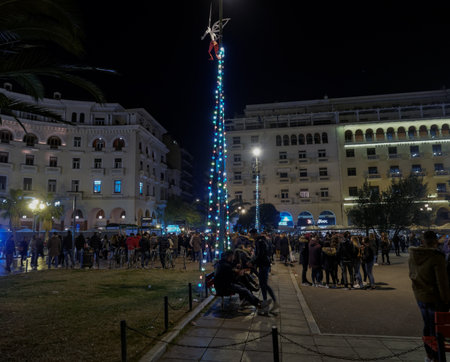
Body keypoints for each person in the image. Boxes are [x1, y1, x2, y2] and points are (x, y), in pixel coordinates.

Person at [409, 230, 450, 362]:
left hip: (421, 296)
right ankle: (437, 357)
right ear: (435, 241)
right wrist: (446, 300)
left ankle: (429, 356)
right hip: (435, 298)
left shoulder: (414, 255)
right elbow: (442, 282)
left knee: (427, 325)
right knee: (437, 329)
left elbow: (412, 275)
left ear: (422, 241)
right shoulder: (436, 257)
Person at [253, 234, 279, 313]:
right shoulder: (264, 241)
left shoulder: (260, 242)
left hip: (263, 265)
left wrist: (253, 262)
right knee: (263, 284)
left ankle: (272, 302)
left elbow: (260, 254)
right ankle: (266, 302)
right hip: (264, 264)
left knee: (264, 284)